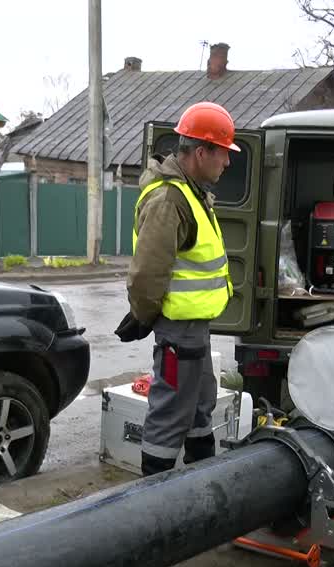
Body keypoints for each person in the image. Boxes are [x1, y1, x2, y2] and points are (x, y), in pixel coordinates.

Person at [114, 102, 238, 476]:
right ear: (201, 152)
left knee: (200, 405)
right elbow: (148, 273)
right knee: (170, 414)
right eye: (223, 153)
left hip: (193, 328)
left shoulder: (191, 193)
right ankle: (155, 496)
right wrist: (143, 315)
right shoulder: (170, 200)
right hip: (178, 331)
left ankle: (201, 481)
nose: (227, 162)